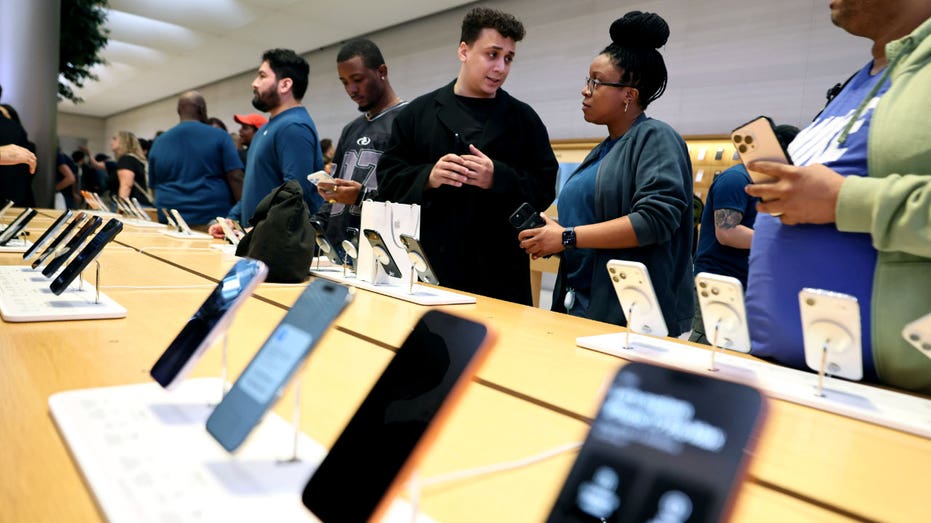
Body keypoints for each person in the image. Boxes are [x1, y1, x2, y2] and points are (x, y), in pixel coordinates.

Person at [743, 0, 931, 393]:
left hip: (898, 397)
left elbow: (837, 197)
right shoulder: (863, 81)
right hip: (791, 374)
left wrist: (847, 201)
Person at [519, 11, 694, 335]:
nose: (586, 91)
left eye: (596, 82)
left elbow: (654, 220)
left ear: (629, 94)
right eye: (588, 81)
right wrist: (558, 233)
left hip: (631, 319)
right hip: (583, 307)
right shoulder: (605, 149)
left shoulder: (656, 138)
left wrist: (568, 236)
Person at [376, 7, 557, 305]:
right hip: (430, 271)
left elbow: (545, 186)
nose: (501, 67)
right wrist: (428, 177)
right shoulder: (417, 115)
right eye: (492, 54)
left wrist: (497, 178)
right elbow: (387, 181)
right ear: (464, 50)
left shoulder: (524, 119)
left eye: (508, 58)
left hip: (501, 273)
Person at [689, 122, 799, 344]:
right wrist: (780, 241)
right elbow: (727, 232)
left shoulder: (768, 188)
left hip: (748, 285)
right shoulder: (737, 179)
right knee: (710, 348)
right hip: (721, 284)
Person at [210, 48, 324, 237]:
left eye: (262, 76)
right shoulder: (267, 128)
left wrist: (259, 230)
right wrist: (232, 220)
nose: (254, 83)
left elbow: (294, 195)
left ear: (285, 84)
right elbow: (254, 189)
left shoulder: (294, 126)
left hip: (279, 246)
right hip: (258, 239)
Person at [312, 38, 407, 262]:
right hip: (337, 250)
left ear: (381, 71)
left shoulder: (407, 120)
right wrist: (314, 227)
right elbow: (333, 194)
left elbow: (409, 196)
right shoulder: (350, 129)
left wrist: (361, 197)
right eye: (344, 82)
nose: (351, 90)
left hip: (379, 254)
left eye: (357, 79)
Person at [148, 91, 244, 229]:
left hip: (170, 220)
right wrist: (242, 208)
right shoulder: (220, 136)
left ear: (178, 111)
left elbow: (154, 186)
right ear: (202, 109)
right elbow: (236, 176)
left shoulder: (158, 142)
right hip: (212, 221)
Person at [110, 131, 150, 203]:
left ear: (124, 141)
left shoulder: (126, 160)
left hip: (133, 205)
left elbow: (126, 186)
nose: (111, 142)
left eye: (115, 139)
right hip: (141, 204)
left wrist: (121, 208)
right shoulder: (136, 159)